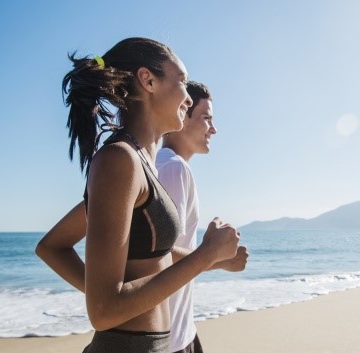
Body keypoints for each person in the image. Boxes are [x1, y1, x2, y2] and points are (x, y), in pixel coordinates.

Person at [36, 37, 240, 353]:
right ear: (148, 80)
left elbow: (54, 246)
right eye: (182, 82)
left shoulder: (140, 164)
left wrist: (216, 258)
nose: (187, 99)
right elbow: (103, 312)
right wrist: (206, 255)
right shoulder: (120, 160)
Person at [156, 81, 248, 353]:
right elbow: (158, 257)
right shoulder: (173, 169)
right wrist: (218, 258)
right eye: (206, 118)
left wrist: (216, 258)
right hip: (170, 338)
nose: (213, 128)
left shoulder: (164, 165)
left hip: (181, 330)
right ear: (182, 115)